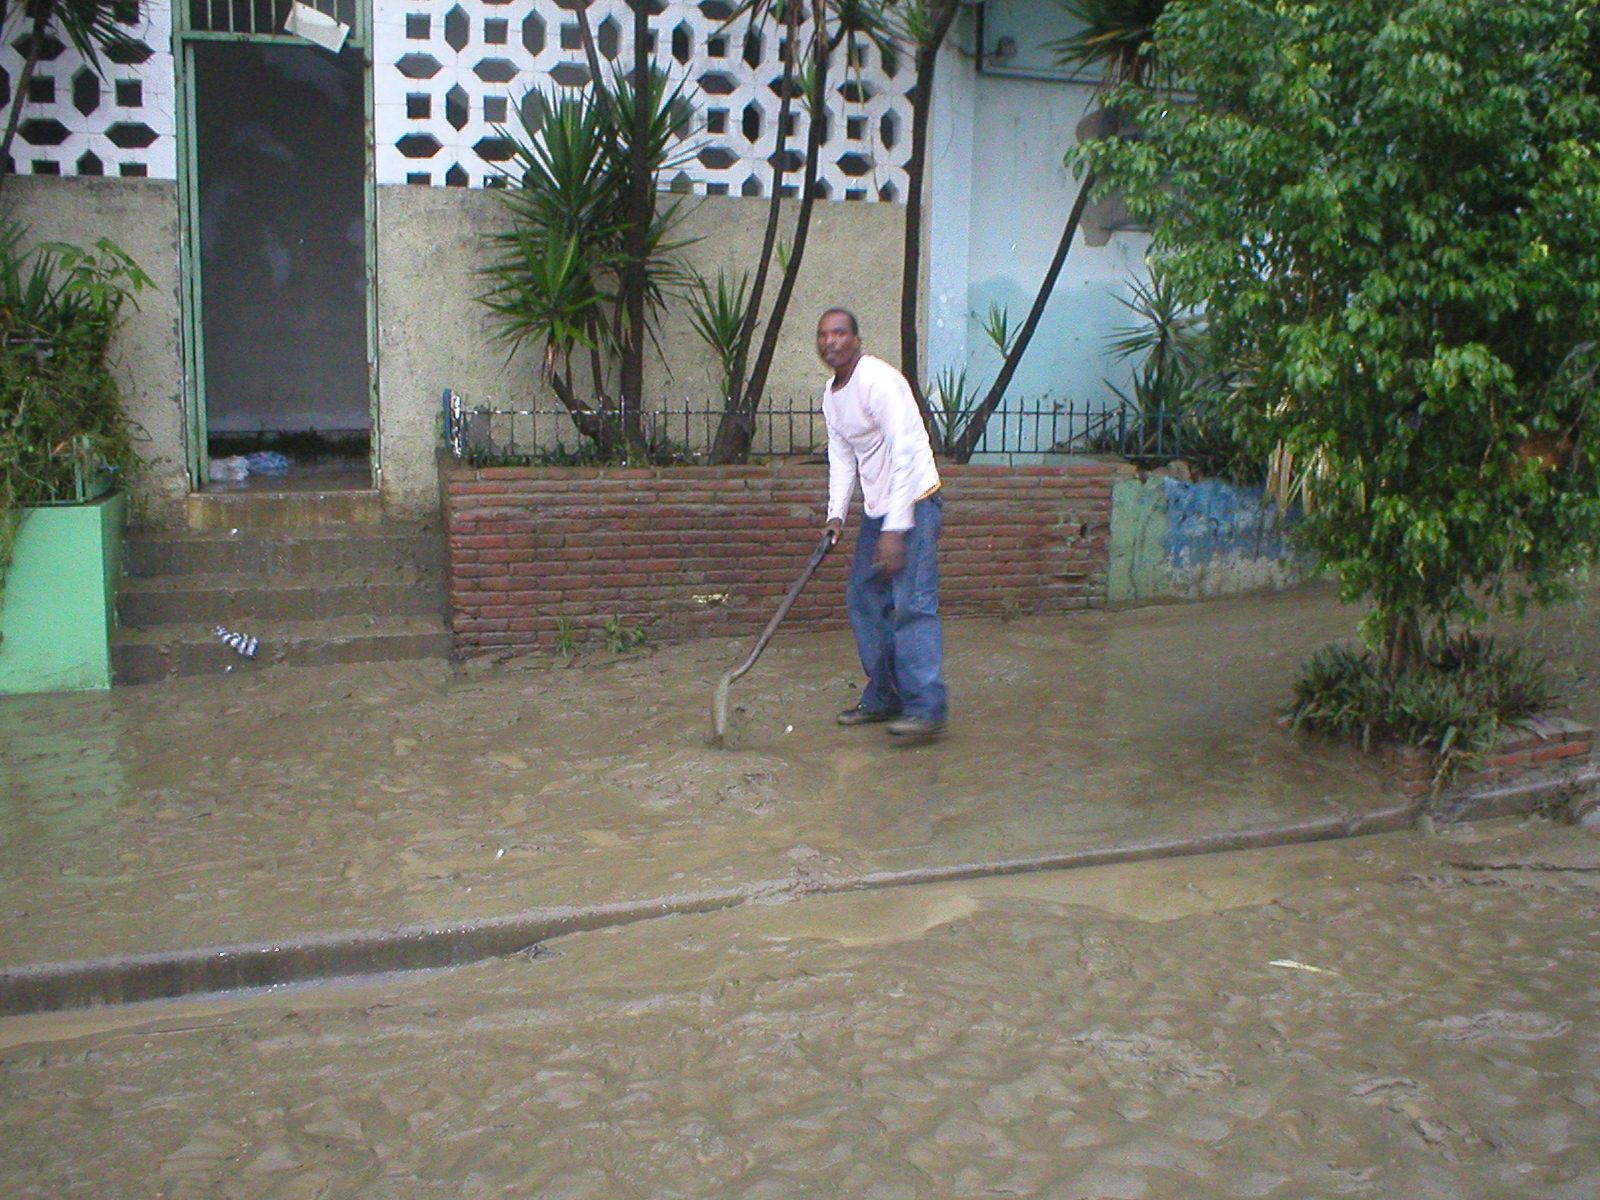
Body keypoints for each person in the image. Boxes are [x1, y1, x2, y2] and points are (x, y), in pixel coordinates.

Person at [816, 307, 948, 739]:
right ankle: (887, 694)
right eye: (824, 335)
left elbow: (906, 450)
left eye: (840, 333)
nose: (831, 341)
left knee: (912, 603)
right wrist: (836, 514)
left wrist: (896, 527)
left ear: (856, 339)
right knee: (865, 598)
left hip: (914, 500)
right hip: (879, 509)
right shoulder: (832, 396)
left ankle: (927, 709)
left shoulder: (879, 381)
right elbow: (843, 458)